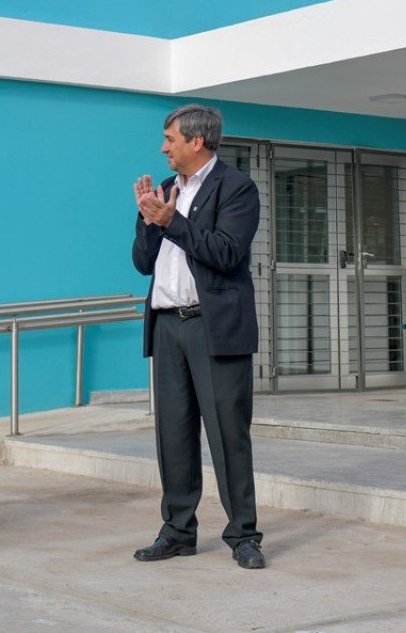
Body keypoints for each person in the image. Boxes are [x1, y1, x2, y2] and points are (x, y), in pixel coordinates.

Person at [129, 104, 265, 570]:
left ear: (196, 141)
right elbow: (143, 263)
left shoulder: (237, 188)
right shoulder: (166, 191)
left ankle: (243, 534)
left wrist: (172, 222)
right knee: (173, 433)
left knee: (229, 434)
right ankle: (178, 530)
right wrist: (149, 219)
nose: (163, 147)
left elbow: (226, 253)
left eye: (169, 139)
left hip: (214, 327)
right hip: (167, 325)